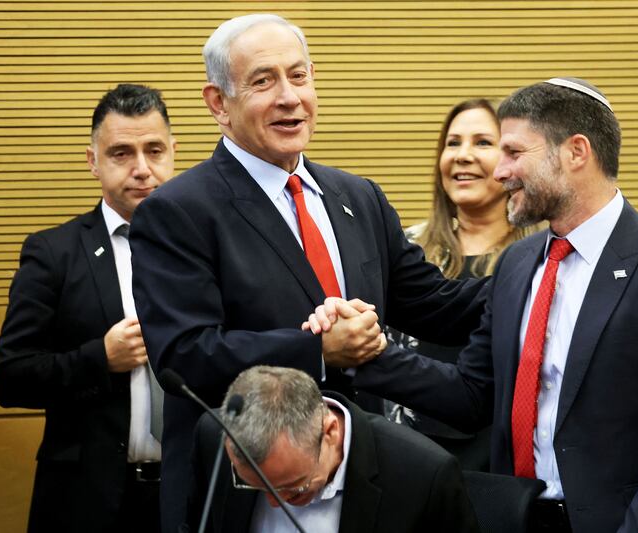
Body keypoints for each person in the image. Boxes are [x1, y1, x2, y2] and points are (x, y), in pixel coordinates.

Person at [312, 78, 638, 532]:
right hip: (522, 517)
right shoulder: (519, 263)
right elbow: (472, 394)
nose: (499, 171)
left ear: (575, 152)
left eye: (513, 153)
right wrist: (366, 354)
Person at [127, 14, 486, 532]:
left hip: (360, 485)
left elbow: (440, 308)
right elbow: (185, 358)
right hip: (247, 492)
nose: (289, 97)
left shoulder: (357, 197)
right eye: (263, 81)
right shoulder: (177, 211)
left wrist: (542, 264)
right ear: (218, 104)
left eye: (299, 76)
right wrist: (317, 351)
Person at [0, 84, 176, 533]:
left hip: (185, 494)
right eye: (121, 154)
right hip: (86, 501)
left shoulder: (205, 249)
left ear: (174, 152)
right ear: (93, 161)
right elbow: (9, 377)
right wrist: (100, 358)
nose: (142, 169)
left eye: (154, 150)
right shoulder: (53, 253)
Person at [385, 98, 542, 470]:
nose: (462, 155)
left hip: (499, 465)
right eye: (452, 143)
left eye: (483, 143)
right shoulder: (405, 250)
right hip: (404, 460)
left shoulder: (537, 259)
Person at [186, 366, 480, 533]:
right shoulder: (213, 438)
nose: (275, 503)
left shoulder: (423, 476)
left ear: (330, 432)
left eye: (294, 489)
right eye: (252, 486)